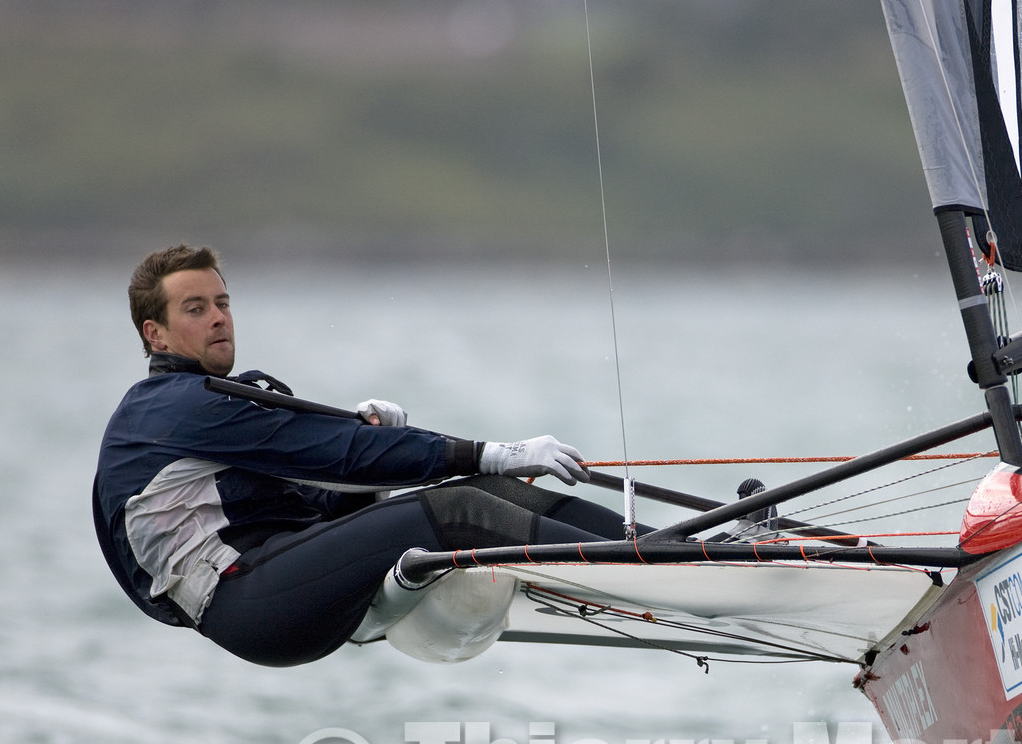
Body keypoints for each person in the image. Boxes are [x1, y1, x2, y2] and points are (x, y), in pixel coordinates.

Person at [93, 244, 638, 667]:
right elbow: (342, 453)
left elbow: (322, 493)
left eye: (222, 302)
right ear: (156, 335)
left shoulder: (211, 404)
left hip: (276, 570)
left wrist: (379, 467)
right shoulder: (172, 408)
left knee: (490, 495)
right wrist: (494, 452)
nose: (218, 317)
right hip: (246, 604)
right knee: (462, 510)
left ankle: (665, 549)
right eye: (196, 308)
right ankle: (643, 571)